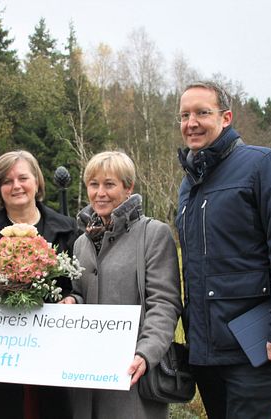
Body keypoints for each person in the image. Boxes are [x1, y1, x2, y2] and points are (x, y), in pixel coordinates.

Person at [175, 81, 271, 418]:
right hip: (206, 349)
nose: (192, 122)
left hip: (257, 346)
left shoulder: (263, 165)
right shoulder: (188, 185)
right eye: (184, 115)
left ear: (226, 117)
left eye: (202, 112)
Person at [62, 151, 183, 419]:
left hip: (132, 374)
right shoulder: (81, 243)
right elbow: (81, 293)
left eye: (110, 184)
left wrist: (146, 354)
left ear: (128, 188)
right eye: (94, 184)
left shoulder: (153, 234)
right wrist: (73, 301)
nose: (100, 193)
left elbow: (164, 304)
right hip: (85, 375)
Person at [0, 150, 80, 419]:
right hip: (1, 348)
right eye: (6, 181)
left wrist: (72, 300)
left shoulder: (67, 228)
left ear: (37, 182)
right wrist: (6, 292)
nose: (16, 186)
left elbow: (77, 284)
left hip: (53, 348)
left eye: (22, 178)